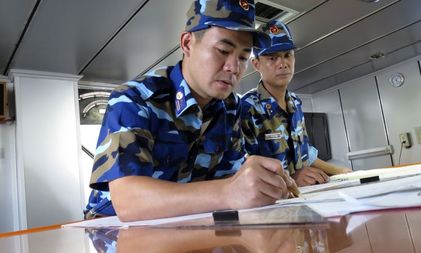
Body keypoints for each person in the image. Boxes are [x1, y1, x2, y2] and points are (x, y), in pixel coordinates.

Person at [85, 0, 298, 222]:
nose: (234, 68)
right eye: (223, 50)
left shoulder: (231, 108)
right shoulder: (134, 99)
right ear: (187, 43)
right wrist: (229, 191)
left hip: (190, 223)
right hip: (112, 231)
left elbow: (229, 181)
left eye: (243, 57)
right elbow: (129, 202)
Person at [241, 20, 351, 187]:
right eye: (272, 58)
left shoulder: (295, 103)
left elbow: (306, 153)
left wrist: (341, 172)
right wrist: (292, 179)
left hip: (304, 198)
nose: (283, 63)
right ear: (256, 64)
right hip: (270, 205)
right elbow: (243, 170)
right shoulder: (246, 108)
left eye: (287, 55)